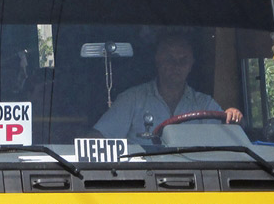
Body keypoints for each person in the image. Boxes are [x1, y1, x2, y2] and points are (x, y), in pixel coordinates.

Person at [93, 33, 243, 140]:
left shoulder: (204, 103)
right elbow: (97, 139)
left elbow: (228, 140)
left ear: (191, 64)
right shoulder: (132, 99)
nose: (176, 65)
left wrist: (231, 117)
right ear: (158, 60)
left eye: (183, 60)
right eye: (170, 59)